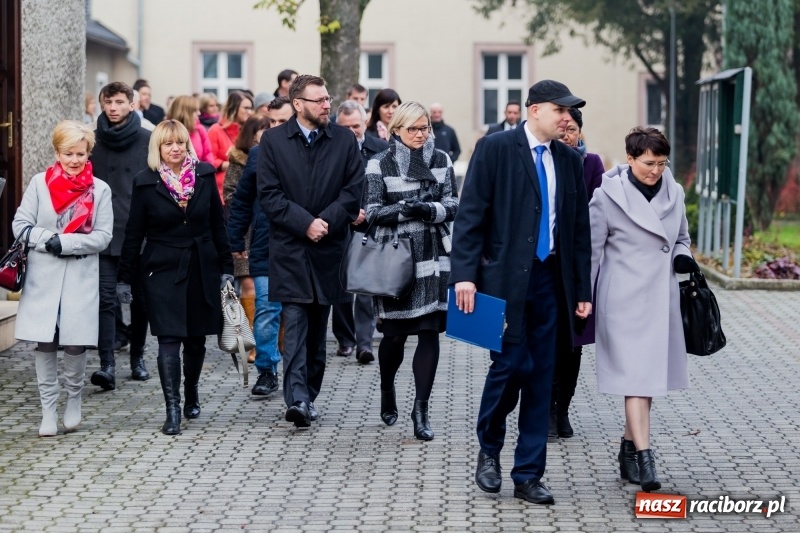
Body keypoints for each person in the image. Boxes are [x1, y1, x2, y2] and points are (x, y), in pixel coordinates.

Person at [450, 80, 592, 505]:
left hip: (552, 283)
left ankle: (529, 474)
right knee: (509, 367)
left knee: (542, 375)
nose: (566, 117)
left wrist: (582, 289)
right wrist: (465, 276)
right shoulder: (495, 149)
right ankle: (489, 450)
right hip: (505, 282)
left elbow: (578, 230)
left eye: (570, 111)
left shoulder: (568, 159)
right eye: (559, 109)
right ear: (533, 110)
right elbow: (471, 214)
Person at [589, 126, 693, 492]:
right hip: (622, 301)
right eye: (649, 163)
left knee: (645, 383)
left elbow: (681, 237)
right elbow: (592, 252)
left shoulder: (675, 192)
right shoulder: (606, 197)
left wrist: (682, 258)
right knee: (636, 380)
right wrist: (583, 299)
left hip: (660, 300)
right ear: (630, 159)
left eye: (662, 163)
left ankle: (627, 449)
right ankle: (647, 460)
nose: (655, 171)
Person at [258, 74, 364, 428]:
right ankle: (298, 399)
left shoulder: (344, 140)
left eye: (328, 99)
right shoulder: (273, 141)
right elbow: (270, 196)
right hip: (290, 248)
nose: (326, 105)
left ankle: (309, 394)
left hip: (329, 248)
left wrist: (327, 222)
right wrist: (305, 223)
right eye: (319, 100)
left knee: (318, 331)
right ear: (298, 104)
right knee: (297, 324)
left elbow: (353, 191)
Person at [117, 120, 233, 435]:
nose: (175, 149)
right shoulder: (145, 182)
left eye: (180, 142)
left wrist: (227, 268)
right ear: (158, 148)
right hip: (161, 269)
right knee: (168, 338)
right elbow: (133, 232)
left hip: (201, 265)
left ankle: (192, 391)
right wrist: (124, 278)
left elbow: (217, 225)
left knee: (195, 340)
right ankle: (172, 409)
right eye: (168, 144)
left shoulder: (205, 176)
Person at [364, 101, 458, 441]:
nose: (420, 134)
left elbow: (452, 204)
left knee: (429, 332)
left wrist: (429, 208)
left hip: (434, 256)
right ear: (396, 131)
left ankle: (421, 410)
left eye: (424, 128)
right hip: (396, 258)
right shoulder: (379, 163)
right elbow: (372, 212)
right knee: (394, 337)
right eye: (413, 129)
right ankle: (387, 386)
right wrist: (407, 210)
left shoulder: (441, 159)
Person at [12, 121, 113, 436]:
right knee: (45, 341)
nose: (74, 160)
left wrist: (67, 243)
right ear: (57, 153)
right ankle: (48, 411)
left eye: (80, 154)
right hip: (43, 276)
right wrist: (47, 239)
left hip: (80, 275)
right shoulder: (39, 183)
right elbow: (20, 224)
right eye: (68, 153)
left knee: (74, 342)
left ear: (88, 153)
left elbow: (103, 237)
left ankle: (74, 398)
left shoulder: (100, 189)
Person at [90, 82, 152, 390]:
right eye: (108, 102)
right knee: (104, 301)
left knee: (140, 302)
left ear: (131, 104)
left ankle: (137, 359)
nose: (113, 107)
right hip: (101, 234)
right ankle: (107, 365)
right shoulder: (90, 141)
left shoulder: (148, 141)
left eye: (118, 101)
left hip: (138, 235)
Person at [549, 106, 605, 439]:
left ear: (580, 132)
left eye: (572, 129)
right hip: (547, 264)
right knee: (547, 342)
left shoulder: (592, 164)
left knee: (572, 345)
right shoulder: (543, 164)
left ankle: (562, 407)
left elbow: (597, 214)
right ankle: (544, 410)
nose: (567, 135)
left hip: (579, 266)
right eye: (561, 130)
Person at [227, 117, 283, 397]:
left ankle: (300, 369)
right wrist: (236, 237)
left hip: (304, 244)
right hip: (265, 244)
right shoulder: (259, 155)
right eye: (273, 121)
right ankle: (266, 369)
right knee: (266, 309)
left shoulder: (313, 152)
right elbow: (242, 198)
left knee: (297, 314)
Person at [331, 100, 389, 364]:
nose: (352, 131)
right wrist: (347, 212)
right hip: (340, 225)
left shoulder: (379, 148)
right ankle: (345, 339)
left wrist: (371, 211)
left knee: (365, 289)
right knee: (341, 287)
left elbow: (388, 186)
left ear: (365, 122)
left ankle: (364, 345)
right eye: (345, 126)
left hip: (371, 225)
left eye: (356, 125)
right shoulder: (331, 147)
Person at [222, 113, 271, 364]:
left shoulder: (277, 155)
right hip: (246, 229)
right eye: (261, 129)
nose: (266, 133)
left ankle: (274, 342)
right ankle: (250, 343)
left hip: (265, 229)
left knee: (268, 291)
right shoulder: (240, 159)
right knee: (249, 286)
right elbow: (231, 194)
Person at [208, 91, 254, 202]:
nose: (250, 112)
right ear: (234, 108)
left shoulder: (250, 131)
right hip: (223, 192)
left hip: (247, 190)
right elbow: (209, 160)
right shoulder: (216, 130)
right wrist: (233, 164)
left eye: (251, 108)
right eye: (246, 108)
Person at [168, 95, 214, 166]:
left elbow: (208, 155)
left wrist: (207, 173)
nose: (199, 113)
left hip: (197, 173)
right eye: (195, 111)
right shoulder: (167, 132)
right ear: (185, 113)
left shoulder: (199, 129)